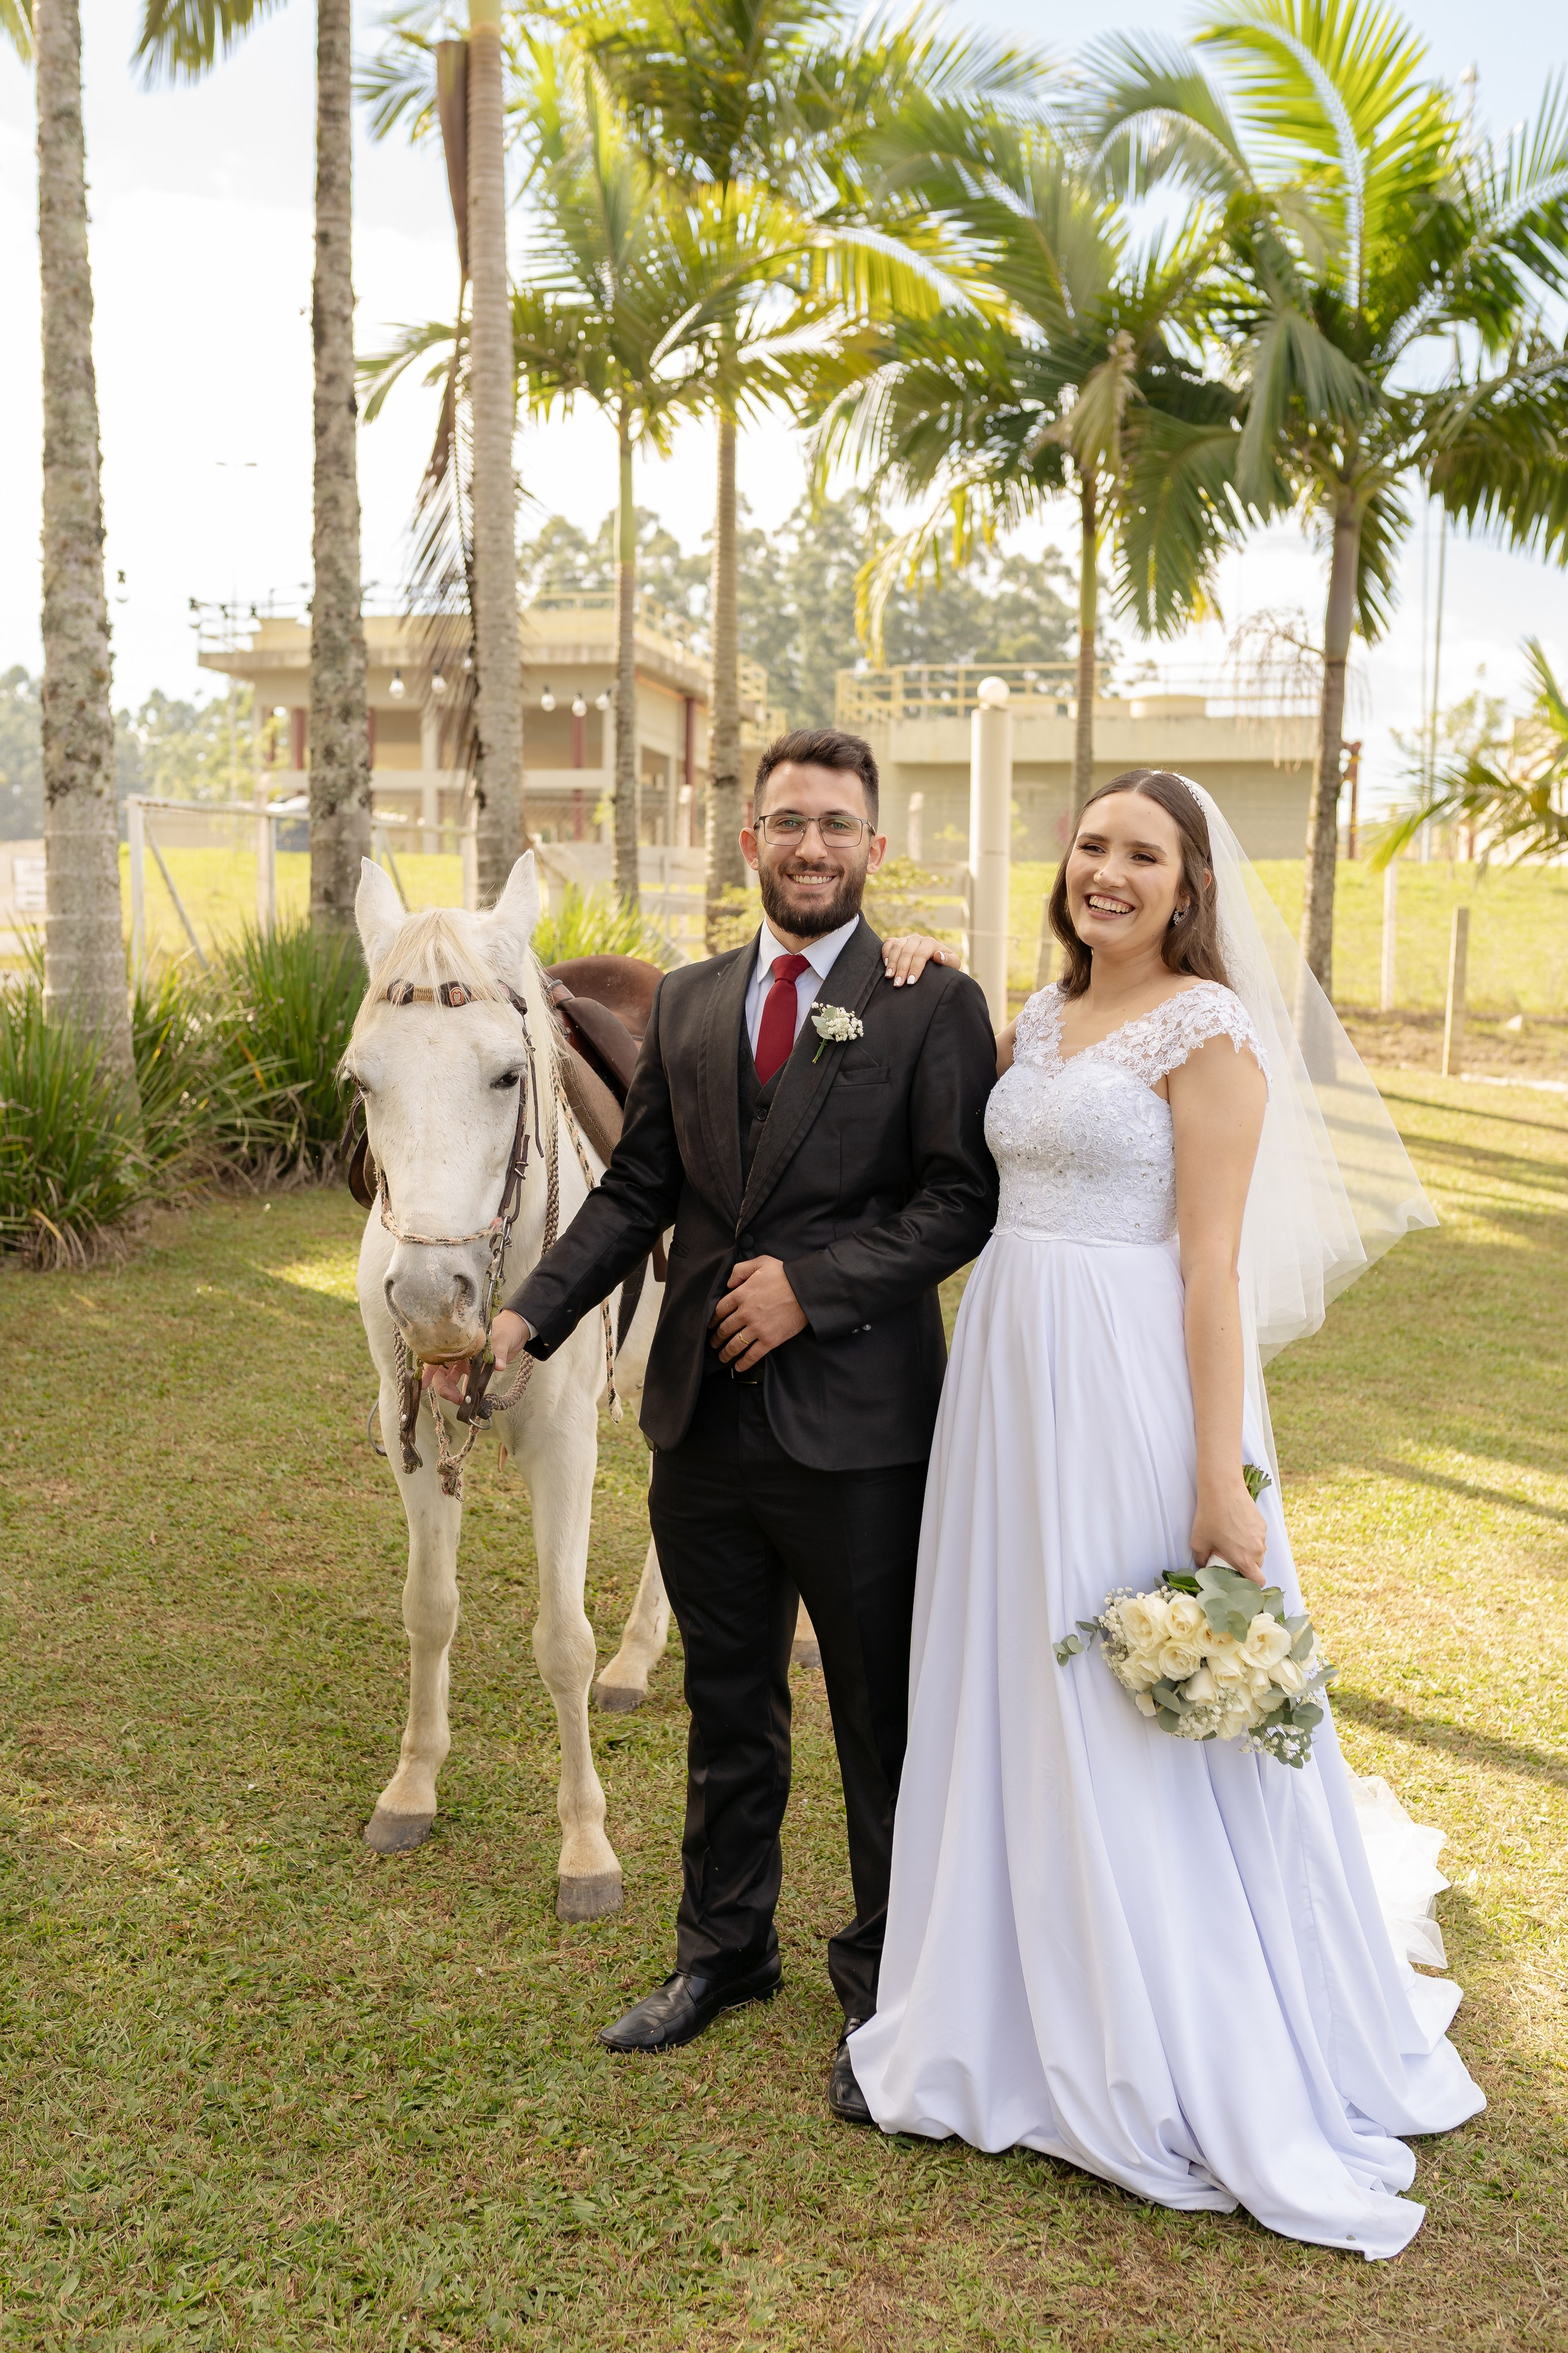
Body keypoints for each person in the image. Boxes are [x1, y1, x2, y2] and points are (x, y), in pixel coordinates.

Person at [853, 768, 1483, 2258]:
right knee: (1012, 1668)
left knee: (1116, 1686)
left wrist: (1218, 1479)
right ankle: (999, 1974)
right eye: (1090, 847)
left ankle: (1149, 2013)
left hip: (1124, 1387)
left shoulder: (1210, 1036)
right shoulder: (1035, 1015)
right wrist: (914, 965)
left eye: (1143, 855)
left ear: (1189, 885)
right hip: (1006, 1377)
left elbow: (1208, 1268)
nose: (1109, 875)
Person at [486, 725, 998, 2115]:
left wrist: (813, 1290)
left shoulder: (926, 1004)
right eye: (788, 821)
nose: (812, 845)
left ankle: (889, 1990)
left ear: (874, 848)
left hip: (862, 1435)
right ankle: (723, 1950)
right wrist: (528, 1313)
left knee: (881, 1723)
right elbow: (633, 1189)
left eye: (838, 823)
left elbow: (960, 1197)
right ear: (748, 842)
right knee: (728, 1703)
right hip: (702, 1423)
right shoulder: (696, 1002)